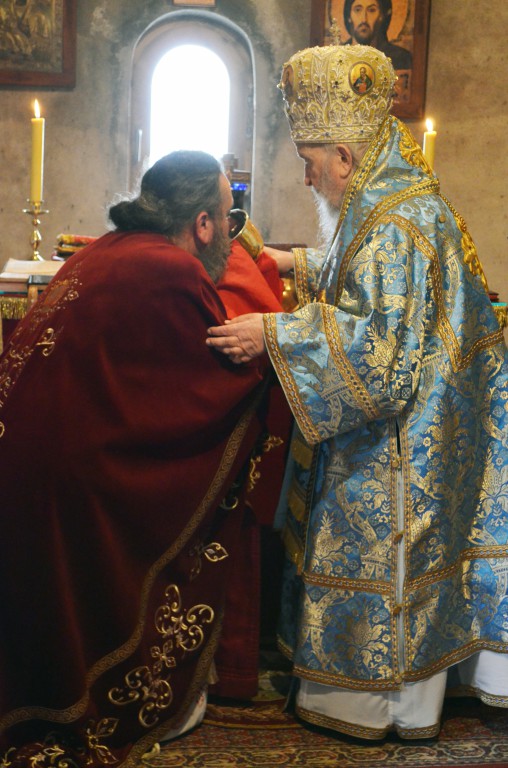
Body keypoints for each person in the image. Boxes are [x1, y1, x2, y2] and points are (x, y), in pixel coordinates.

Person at [206, 43, 508, 739]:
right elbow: (370, 284)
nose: (307, 177)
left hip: (403, 442)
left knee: (379, 545)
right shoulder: (394, 206)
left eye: (311, 162)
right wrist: (293, 262)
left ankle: (381, 702)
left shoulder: (395, 225)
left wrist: (272, 334)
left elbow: (377, 359)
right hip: (434, 419)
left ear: (344, 156)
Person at [0, 150, 273, 766]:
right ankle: (88, 705)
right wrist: (278, 353)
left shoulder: (106, 249)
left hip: (25, 462)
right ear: (201, 223)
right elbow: (213, 387)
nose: (231, 238)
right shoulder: (172, 271)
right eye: (228, 221)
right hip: (67, 478)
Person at [342, 0, 412, 70]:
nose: (364, 19)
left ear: (381, 16)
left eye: (371, 10)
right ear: (349, 16)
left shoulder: (400, 58)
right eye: (357, 10)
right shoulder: (339, 55)